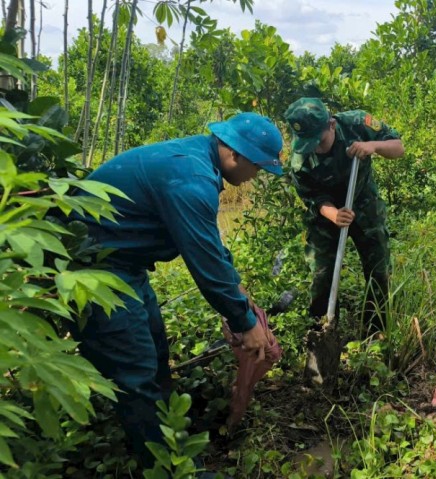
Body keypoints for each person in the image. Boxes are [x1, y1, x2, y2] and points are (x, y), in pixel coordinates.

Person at [69, 112, 284, 468]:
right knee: (136, 374)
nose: (254, 178)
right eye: (258, 168)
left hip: (125, 267)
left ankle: (168, 439)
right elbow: (206, 268)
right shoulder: (191, 179)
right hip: (92, 271)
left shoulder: (196, 160)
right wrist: (245, 323)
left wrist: (239, 290)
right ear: (236, 155)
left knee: (154, 356)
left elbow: (210, 245)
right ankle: (168, 468)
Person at [284, 98, 404, 334]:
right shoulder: (300, 157)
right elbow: (311, 196)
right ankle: (322, 332)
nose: (316, 148)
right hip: (326, 214)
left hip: (363, 202)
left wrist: (373, 146)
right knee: (321, 275)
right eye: (310, 144)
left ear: (331, 124)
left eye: (319, 141)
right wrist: (332, 214)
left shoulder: (357, 122)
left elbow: (398, 147)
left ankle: (375, 332)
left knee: (378, 268)